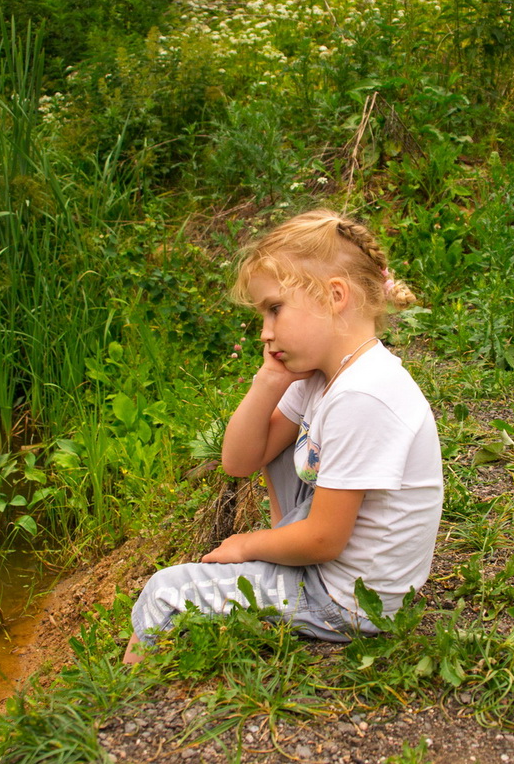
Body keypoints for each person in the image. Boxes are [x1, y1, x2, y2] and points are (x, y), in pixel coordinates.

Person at [124, 210, 443, 663]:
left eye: (274, 309)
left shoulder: (364, 395)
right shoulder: (324, 375)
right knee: (277, 445)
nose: (265, 332)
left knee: (163, 593)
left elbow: (324, 540)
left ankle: (126, 706)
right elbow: (239, 461)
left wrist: (244, 546)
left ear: (335, 296)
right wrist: (270, 381)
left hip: (350, 602)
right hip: (341, 568)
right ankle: (280, 551)